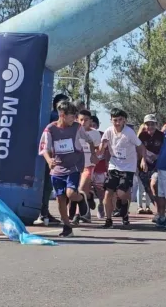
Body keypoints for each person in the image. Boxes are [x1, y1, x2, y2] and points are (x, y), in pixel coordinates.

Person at [39, 100, 98, 237]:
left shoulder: (77, 127)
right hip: (57, 169)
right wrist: (49, 160)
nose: (74, 119)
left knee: (70, 193)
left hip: (74, 166)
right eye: (72, 116)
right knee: (60, 199)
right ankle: (67, 226)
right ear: (62, 115)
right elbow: (44, 148)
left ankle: (81, 199)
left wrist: (93, 154)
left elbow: (89, 141)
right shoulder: (50, 129)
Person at [100, 108, 148, 228]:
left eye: (120, 120)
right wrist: (101, 148)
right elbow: (102, 148)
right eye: (115, 120)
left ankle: (124, 209)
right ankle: (108, 219)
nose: (117, 123)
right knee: (108, 193)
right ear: (111, 120)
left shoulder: (129, 133)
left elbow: (141, 146)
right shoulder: (108, 131)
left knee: (121, 193)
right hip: (114, 165)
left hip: (128, 167)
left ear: (124, 121)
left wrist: (143, 160)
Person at [34, 94, 69, 226]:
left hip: (51, 155)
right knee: (48, 185)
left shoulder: (53, 116)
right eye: (62, 104)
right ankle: (43, 212)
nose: (64, 106)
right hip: (50, 156)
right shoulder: (56, 117)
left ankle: (44, 211)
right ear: (56, 104)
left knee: (49, 185)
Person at [68, 110, 101, 225]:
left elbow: (98, 149)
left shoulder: (95, 134)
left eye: (86, 120)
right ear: (77, 120)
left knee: (80, 188)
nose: (83, 122)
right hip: (76, 166)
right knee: (80, 190)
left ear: (90, 121)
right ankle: (88, 203)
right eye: (81, 120)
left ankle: (77, 215)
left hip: (89, 166)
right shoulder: (73, 131)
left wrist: (96, 156)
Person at [137, 114, 164, 214]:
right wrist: (143, 160)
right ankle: (159, 211)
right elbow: (139, 149)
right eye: (147, 124)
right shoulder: (142, 136)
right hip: (144, 167)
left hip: (157, 166)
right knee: (148, 189)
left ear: (156, 124)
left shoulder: (161, 135)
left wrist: (157, 156)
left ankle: (162, 211)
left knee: (154, 185)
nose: (150, 126)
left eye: (152, 124)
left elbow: (165, 150)